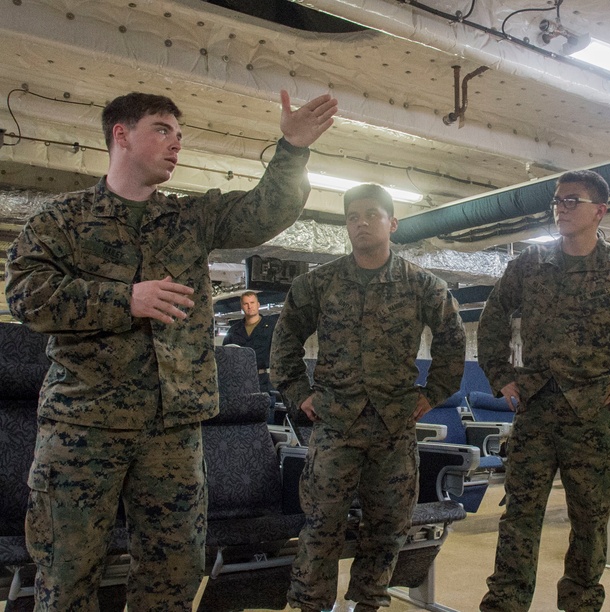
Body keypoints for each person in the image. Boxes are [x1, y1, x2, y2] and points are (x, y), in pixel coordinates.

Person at [4, 89, 337, 610]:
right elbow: (27, 297)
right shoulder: (61, 221)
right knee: (67, 572)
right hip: (84, 426)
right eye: (162, 129)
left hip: (173, 429)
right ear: (121, 135)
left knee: (174, 572)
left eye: (180, 135)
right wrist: (126, 300)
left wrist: (291, 148)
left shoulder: (189, 219)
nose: (176, 143)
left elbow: (262, 212)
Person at [478, 169, 610, 612]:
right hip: (535, 407)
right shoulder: (530, 265)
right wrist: (501, 374)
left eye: (571, 201)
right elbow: (493, 318)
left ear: (600, 211)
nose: (561, 208)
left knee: (591, 521)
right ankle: (504, 604)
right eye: (557, 200)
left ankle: (581, 604)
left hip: (592, 411)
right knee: (519, 516)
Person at [270, 183, 466, 612]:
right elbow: (284, 342)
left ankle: (370, 603)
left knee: (387, 526)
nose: (361, 223)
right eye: (353, 217)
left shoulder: (421, 285)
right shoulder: (318, 284)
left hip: (393, 428)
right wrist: (299, 392)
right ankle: (311, 605)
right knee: (321, 525)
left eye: (371, 215)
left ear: (392, 223)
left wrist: (433, 393)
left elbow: (453, 340)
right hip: (335, 427)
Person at [223, 291, 280, 394]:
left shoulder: (272, 327)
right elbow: (225, 357)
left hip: (263, 380)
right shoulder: (234, 330)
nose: (249, 306)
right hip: (239, 381)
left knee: (264, 408)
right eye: (246, 304)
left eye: (252, 303)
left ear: (258, 305)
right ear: (242, 307)